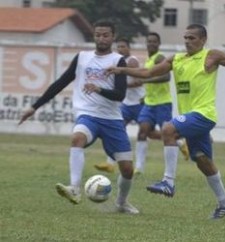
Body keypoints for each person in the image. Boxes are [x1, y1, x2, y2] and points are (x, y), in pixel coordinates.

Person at [106, 24, 225, 219]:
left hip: (204, 114)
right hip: (192, 116)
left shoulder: (211, 56)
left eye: (192, 38)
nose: (188, 41)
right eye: (186, 38)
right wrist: (121, 70)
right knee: (202, 159)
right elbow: (148, 73)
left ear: (203, 40)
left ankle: (168, 182)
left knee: (168, 129)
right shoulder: (177, 59)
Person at [18, 21, 139, 214]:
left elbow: (120, 95)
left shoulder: (118, 61)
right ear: (94, 36)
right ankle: (74, 188)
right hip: (88, 115)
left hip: (112, 120)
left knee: (127, 170)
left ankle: (122, 203)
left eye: (105, 35)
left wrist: (98, 88)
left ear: (113, 37)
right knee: (77, 138)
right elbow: (60, 83)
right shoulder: (82, 58)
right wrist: (34, 106)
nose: (101, 38)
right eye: (98, 35)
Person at [95, 35, 189, 174]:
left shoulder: (158, 58)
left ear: (159, 43)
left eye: (154, 42)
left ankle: (181, 142)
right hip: (147, 103)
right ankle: (136, 168)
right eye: (149, 41)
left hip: (162, 103)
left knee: (165, 133)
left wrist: (145, 81)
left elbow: (166, 76)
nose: (151, 44)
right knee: (141, 132)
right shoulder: (148, 60)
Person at [94, 37, 162, 173]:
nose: (120, 49)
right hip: (126, 104)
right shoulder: (117, 62)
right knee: (116, 129)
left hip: (138, 103)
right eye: (118, 47)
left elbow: (139, 82)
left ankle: (178, 142)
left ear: (129, 48)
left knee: (148, 133)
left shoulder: (132, 61)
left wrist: (122, 87)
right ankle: (110, 163)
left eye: (123, 46)